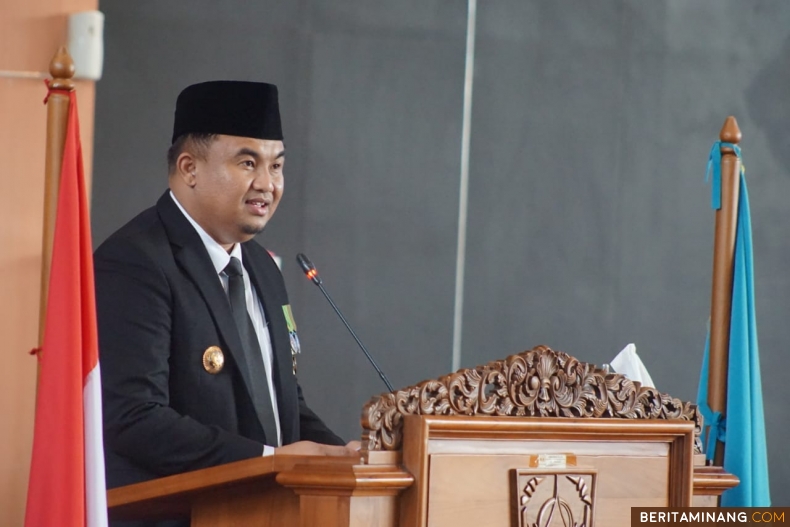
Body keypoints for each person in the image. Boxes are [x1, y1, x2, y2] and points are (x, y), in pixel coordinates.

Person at [95, 81, 358, 525]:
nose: (267, 185)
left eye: (276, 166)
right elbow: (134, 418)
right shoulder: (135, 262)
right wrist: (269, 460)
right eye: (247, 162)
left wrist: (344, 455)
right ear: (189, 167)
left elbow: (281, 403)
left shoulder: (263, 268)